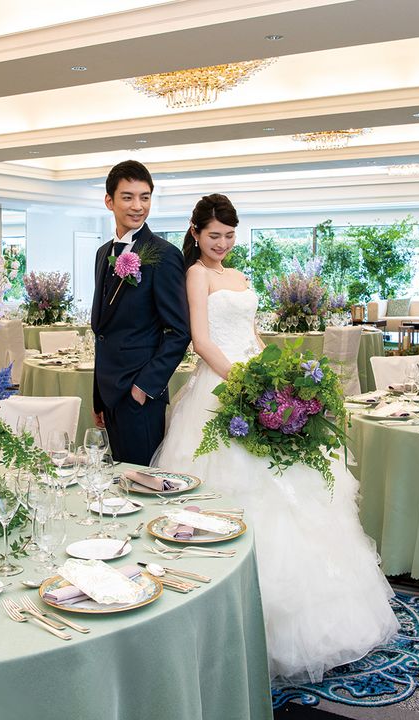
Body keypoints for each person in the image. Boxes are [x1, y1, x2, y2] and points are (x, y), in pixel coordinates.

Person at [152, 193, 398, 684]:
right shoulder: (195, 275)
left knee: (296, 493)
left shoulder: (239, 276)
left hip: (258, 379)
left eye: (229, 236)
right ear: (196, 233)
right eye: (214, 236)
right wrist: (242, 383)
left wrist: (275, 375)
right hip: (221, 386)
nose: (222, 244)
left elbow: (253, 335)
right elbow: (201, 341)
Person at [90, 160, 190, 464]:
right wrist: (98, 395)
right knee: (119, 478)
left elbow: (179, 332)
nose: (138, 206)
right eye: (128, 197)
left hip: (139, 395)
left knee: (144, 478)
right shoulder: (102, 253)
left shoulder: (164, 255)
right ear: (109, 201)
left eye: (145, 197)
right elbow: (103, 331)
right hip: (109, 393)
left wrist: (144, 387)